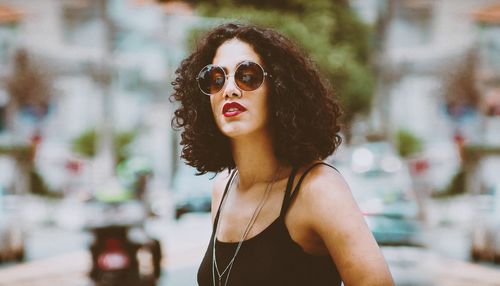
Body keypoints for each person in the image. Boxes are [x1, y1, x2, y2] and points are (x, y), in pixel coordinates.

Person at [171, 22, 394, 286]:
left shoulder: (317, 189)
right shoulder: (223, 189)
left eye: (248, 75)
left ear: (279, 89)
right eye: (216, 79)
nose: (229, 89)